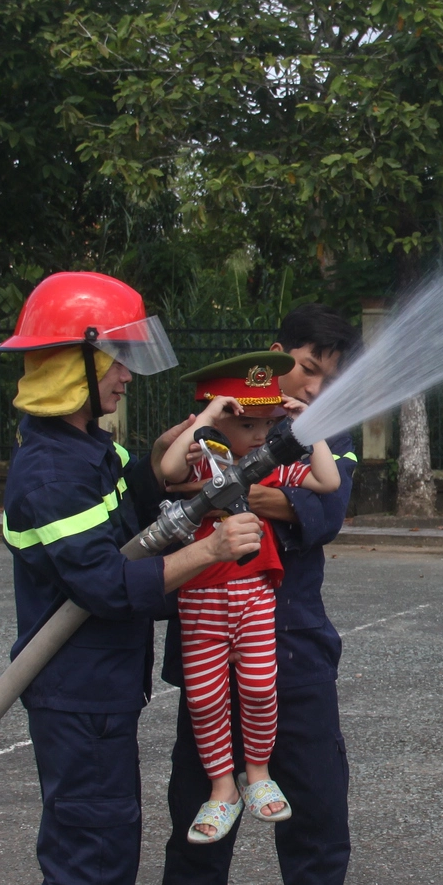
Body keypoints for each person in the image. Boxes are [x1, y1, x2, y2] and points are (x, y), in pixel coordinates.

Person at [0, 272, 263, 885]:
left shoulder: (83, 449)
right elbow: (106, 583)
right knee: (90, 845)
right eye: (113, 358)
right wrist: (209, 550)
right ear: (74, 362)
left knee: (109, 839)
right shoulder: (50, 470)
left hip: (100, 689)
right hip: (75, 693)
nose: (122, 374)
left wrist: (194, 436)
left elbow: (133, 497)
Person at [130, 303, 376, 885]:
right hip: (212, 649)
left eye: (329, 378)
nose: (316, 386)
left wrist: (231, 488)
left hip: (294, 653)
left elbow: (324, 511)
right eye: (306, 368)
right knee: (204, 820)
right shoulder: (219, 412)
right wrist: (225, 468)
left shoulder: (333, 431)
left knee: (320, 814)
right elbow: (157, 489)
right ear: (275, 359)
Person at [155, 351, 343, 843]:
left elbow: (328, 480)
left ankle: (257, 774)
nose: (262, 435)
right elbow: (168, 469)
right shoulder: (202, 467)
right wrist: (208, 416)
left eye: (269, 422)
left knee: (260, 689)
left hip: (256, 597)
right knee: (205, 698)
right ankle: (223, 789)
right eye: (251, 423)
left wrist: (309, 426)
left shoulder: (269, 468)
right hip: (200, 602)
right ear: (222, 421)